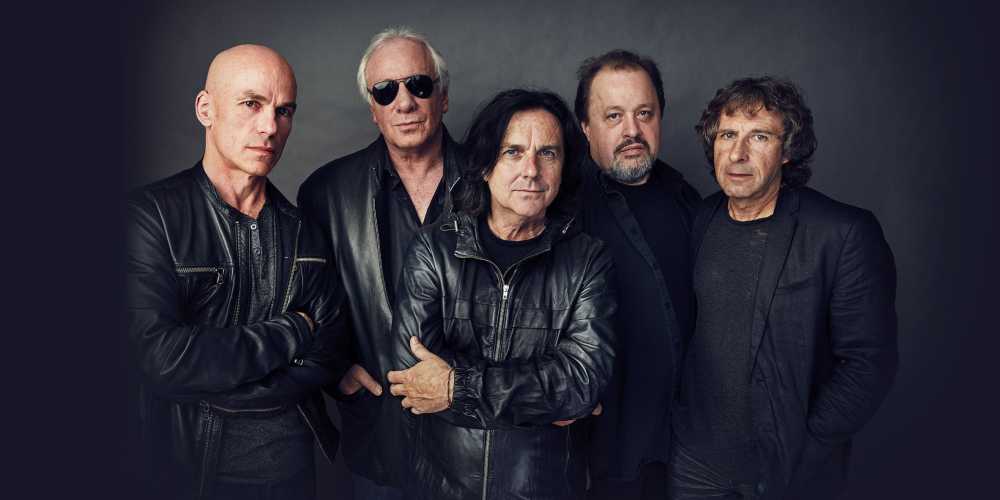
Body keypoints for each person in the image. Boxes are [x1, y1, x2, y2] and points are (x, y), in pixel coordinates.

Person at [126, 44, 350, 499]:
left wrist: (211, 379)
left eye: (284, 111)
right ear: (205, 109)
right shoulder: (151, 216)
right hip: (186, 472)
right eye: (251, 103)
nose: (270, 127)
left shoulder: (306, 231)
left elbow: (327, 355)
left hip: (289, 474)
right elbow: (161, 358)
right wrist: (295, 328)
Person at [669, 76, 898, 499]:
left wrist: (809, 442)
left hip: (785, 470)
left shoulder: (842, 232)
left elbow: (869, 363)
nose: (738, 153)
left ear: (787, 150)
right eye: (727, 135)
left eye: (759, 136)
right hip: (695, 466)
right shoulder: (700, 218)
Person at [385, 89, 616, 500]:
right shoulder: (434, 251)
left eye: (548, 153)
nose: (531, 170)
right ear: (485, 165)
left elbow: (582, 383)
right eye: (513, 152)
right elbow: (413, 375)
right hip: (442, 485)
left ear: (563, 168)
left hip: (543, 488)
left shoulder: (586, 260)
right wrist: (544, 399)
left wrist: (456, 387)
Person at [297, 27, 463, 498]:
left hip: (478, 439)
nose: (404, 102)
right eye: (386, 91)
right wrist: (333, 367)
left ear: (443, 97)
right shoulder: (325, 194)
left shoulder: (496, 179)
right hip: (379, 439)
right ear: (373, 108)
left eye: (419, 85)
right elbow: (303, 303)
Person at [572, 49, 701, 499]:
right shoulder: (563, 210)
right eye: (613, 116)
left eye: (644, 113)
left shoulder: (687, 199)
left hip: (685, 448)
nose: (632, 130)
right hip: (604, 453)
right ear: (585, 128)